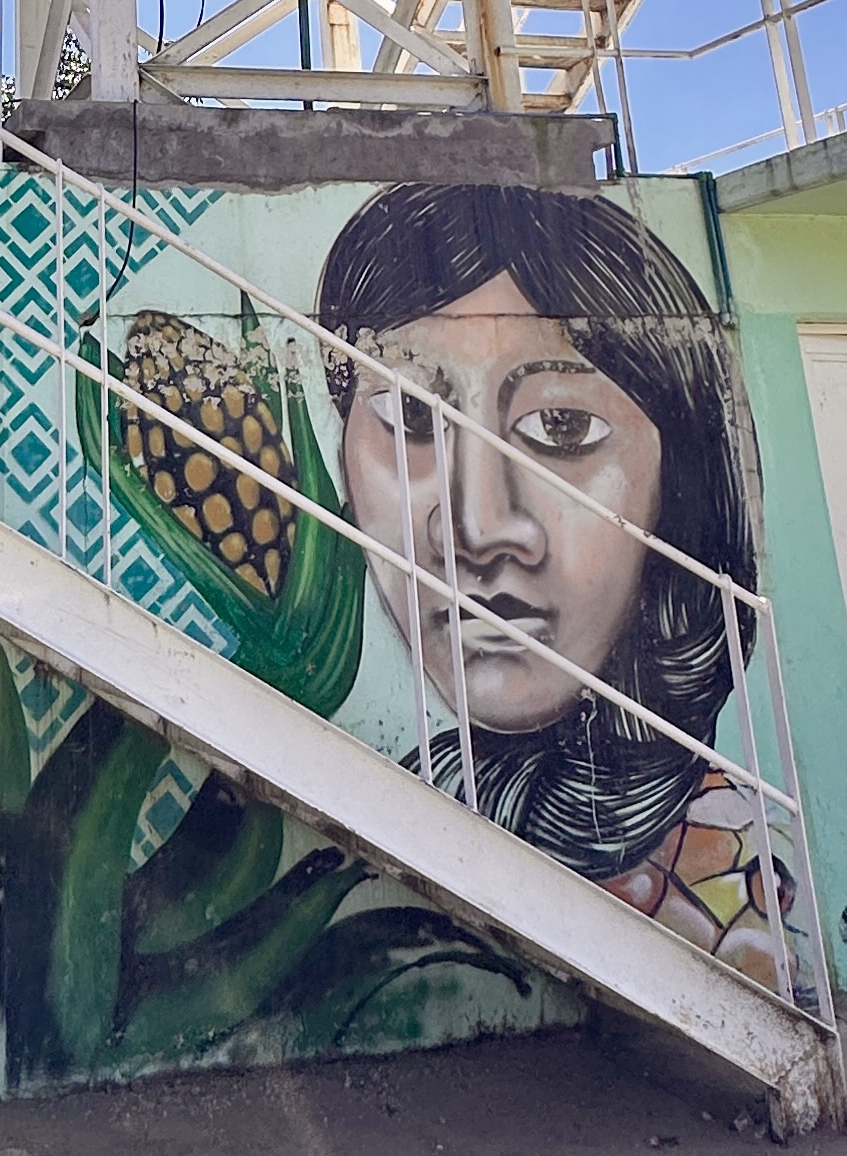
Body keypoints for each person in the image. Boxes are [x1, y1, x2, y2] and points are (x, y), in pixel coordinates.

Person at [314, 183, 791, 989]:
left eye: (561, 428)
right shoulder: (416, 792)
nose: (476, 525)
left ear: (679, 486)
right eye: (413, 421)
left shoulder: (746, 895)